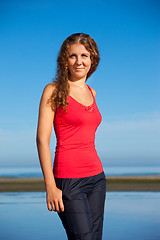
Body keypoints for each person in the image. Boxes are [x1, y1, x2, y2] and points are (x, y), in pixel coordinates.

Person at [36, 33, 106, 240]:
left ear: (92, 59)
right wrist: (50, 186)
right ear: (64, 60)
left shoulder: (92, 92)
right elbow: (42, 139)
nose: (79, 61)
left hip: (97, 178)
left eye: (84, 55)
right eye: (72, 56)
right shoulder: (53, 90)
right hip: (68, 180)